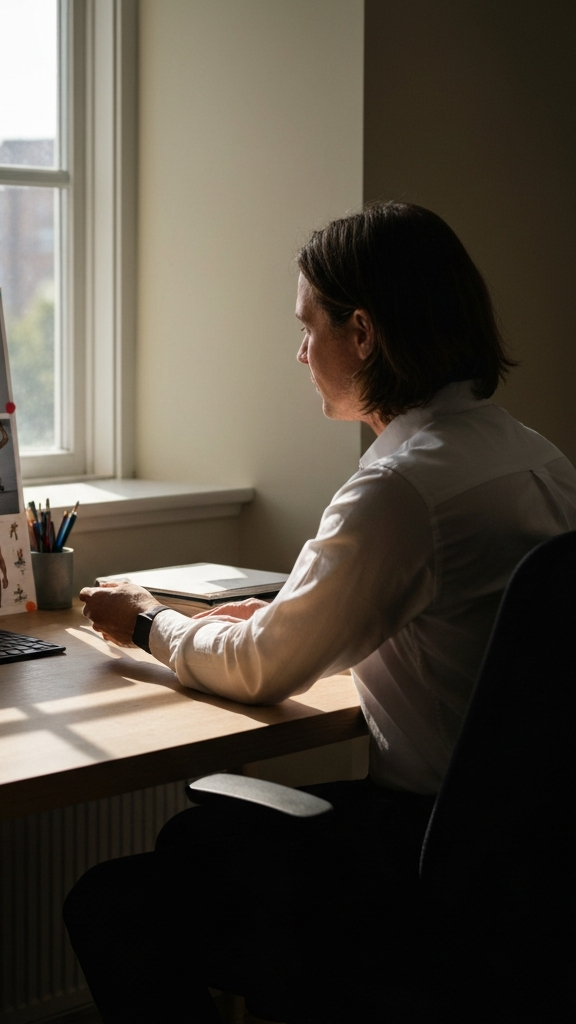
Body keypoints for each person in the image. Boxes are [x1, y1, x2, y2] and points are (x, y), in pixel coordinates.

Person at [65, 202, 576, 1023]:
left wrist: (146, 621)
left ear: (363, 335)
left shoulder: (398, 486)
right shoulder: (534, 456)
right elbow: (444, 621)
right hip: (533, 865)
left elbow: (265, 671)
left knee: (115, 902)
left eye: (309, 326)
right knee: (197, 854)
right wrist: (277, 615)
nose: (299, 351)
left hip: (429, 861)